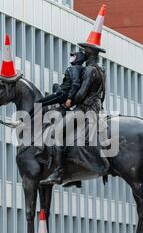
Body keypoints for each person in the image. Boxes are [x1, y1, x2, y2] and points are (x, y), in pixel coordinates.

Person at [40, 42, 108, 186]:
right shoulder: (101, 70)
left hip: (84, 110)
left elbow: (81, 93)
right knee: (71, 135)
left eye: (84, 50)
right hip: (96, 107)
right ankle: (74, 176)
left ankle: (58, 172)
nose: (81, 52)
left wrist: (68, 100)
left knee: (57, 132)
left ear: (90, 52)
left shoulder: (89, 70)